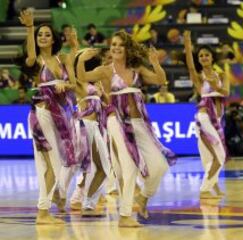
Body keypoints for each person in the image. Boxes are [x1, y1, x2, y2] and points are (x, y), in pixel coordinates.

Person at [77, 30, 176, 227]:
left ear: (127, 48)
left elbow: (160, 80)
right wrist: (80, 59)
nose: (116, 48)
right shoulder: (106, 70)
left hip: (139, 123)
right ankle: (124, 216)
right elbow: (82, 77)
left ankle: (143, 197)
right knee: (128, 168)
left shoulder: (136, 68)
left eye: (120, 45)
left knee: (160, 166)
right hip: (116, 121)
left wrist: (155, 62)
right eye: (113, 44)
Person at [18, 9, 79, 224]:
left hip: (61, 115)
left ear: (53, 39)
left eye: (46, 34)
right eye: (39, 35)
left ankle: (46, 207)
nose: (43, 37)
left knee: (61, 163)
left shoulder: (62, 59)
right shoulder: (36, 63)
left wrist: (66, 84)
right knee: (49, 164)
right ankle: (43, 212)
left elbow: (75, 83)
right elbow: (31, 55)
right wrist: (29, 27)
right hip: (41, 113)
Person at [184, 30, 230, 199]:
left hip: (217, 120)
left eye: (206, 55)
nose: (203, 58)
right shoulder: (198, 77)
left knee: (208, 156)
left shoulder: (222, 75)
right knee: (220, 156)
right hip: (203, 118)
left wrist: (215, 86)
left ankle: (214, 187)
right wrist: (188, 46)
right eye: (201, 56)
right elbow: (189, 65)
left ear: (212, 58)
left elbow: (225, 93)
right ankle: (204, 189)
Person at [68, 51, 111, 215]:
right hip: (84, 126)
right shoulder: (81, 84)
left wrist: (102, 93)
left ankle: (87, 202)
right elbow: (77, 75)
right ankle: (73, 197)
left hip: (96, 127)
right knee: (80, 166)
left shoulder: (97, 84)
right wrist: (81, 58)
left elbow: (107, 103)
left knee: (101, 168)